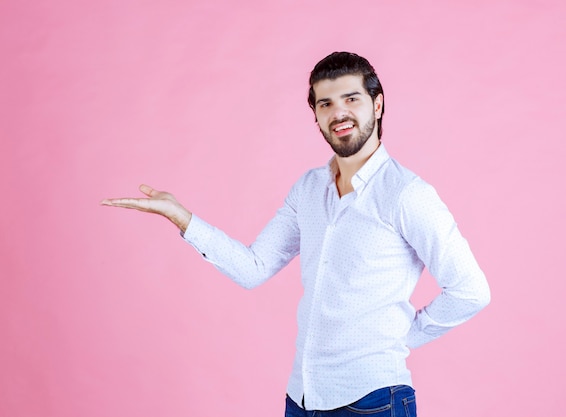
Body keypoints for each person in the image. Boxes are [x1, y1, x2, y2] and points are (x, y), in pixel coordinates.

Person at [101, 51, 491, 417]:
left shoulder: (407, 195)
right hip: (302, 397)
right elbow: (254, 268)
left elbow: (470, 291)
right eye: (325, 104)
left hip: (374, 399)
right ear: (316, 115)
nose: (339, 112)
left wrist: (399, 339)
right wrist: (182, 217)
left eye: (351, 99)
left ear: (378, 103)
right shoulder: (308, 189)